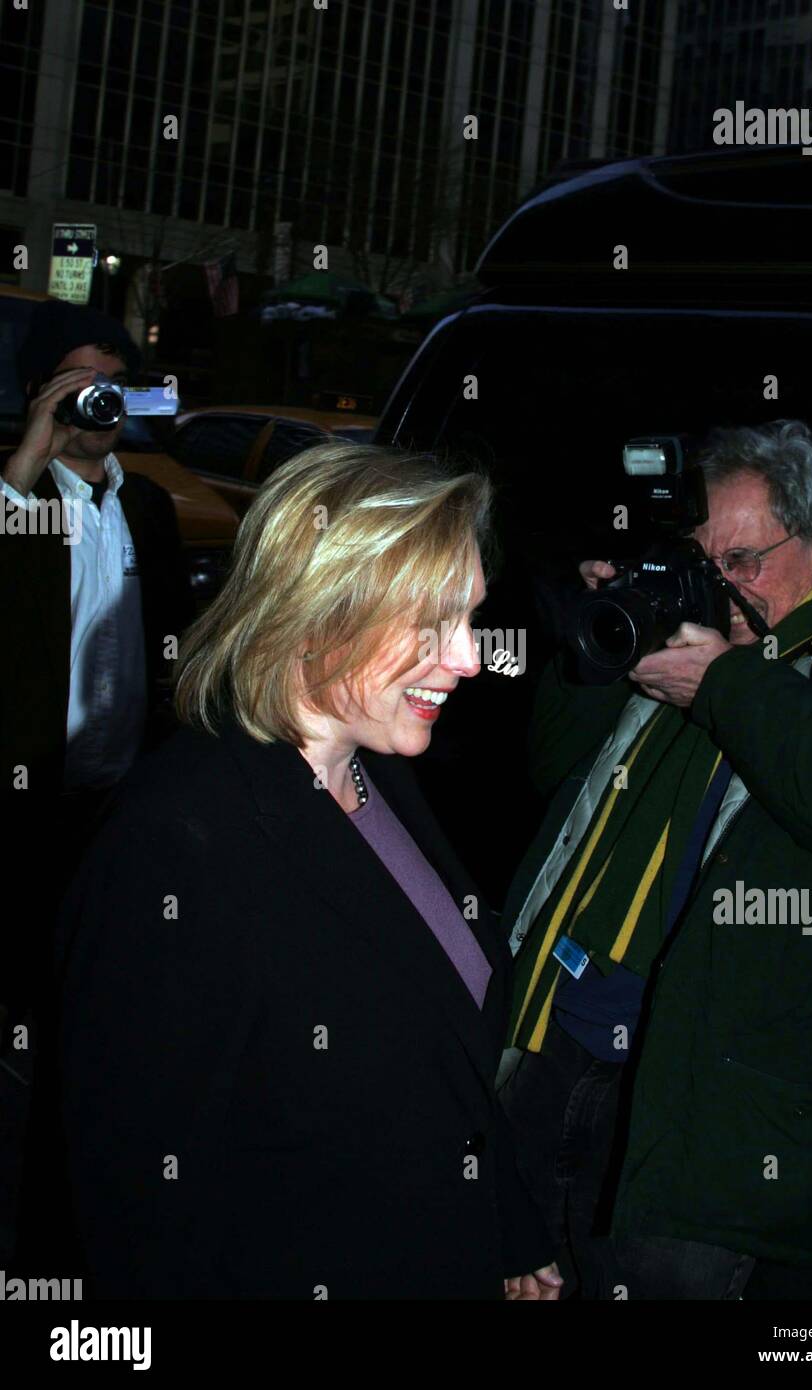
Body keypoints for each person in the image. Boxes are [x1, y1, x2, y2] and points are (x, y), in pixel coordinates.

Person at [56, 441, 561, 1300]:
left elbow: (444, 1049)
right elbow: (129, 1202)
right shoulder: (177, 845)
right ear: (319, 611)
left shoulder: (377, 769)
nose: (471, 658)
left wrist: (503, 1227)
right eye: (432, 624)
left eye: (470, 618)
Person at [499, 420, 812, 1299]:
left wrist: (725, 686)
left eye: (744, 561)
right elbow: (550, 768)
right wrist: (603, 640)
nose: (723, 586)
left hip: (710, 1101)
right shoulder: (690, 631)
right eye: (703, 562)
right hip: (560, 1039)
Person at [0, 299, 194, 1268]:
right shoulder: (21, 499)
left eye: (110, 380)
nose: (99, 399)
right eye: (77, 381)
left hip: (123, 794)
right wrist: (28, 453)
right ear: (40, 391)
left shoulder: (148, 502)